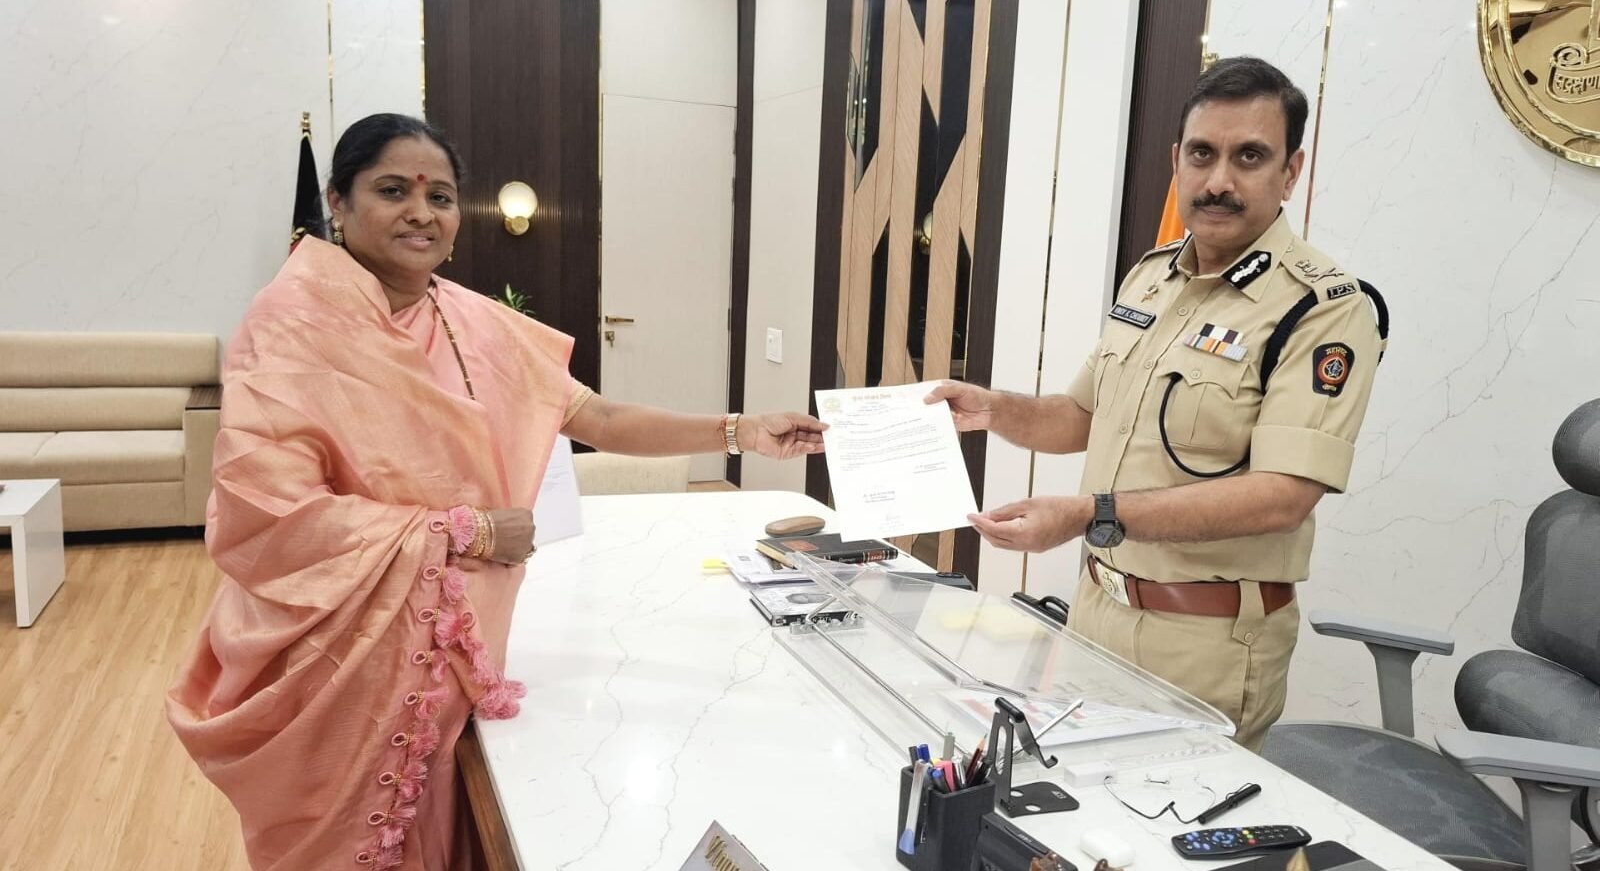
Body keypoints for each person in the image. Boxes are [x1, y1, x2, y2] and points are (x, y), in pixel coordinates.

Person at [166, 113, 826, 870]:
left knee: (457, 822)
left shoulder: (473, 323)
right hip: (337, 659)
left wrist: (741, 430)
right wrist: (470, 530)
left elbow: (600, 418)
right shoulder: (288, 326)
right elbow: (266, 515)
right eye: (393, 190)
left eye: (440, 197)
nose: (421, 212)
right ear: (337, 203)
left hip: (448, 642)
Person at [929, 57, 1385, 751]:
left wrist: (1091, 514)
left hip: (1205, 643)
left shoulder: (1323, 309)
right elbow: (1082, 416)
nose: (1219, 180)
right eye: (1202, 154)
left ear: (1291, 172)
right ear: (1177, 161)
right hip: (1096, 615)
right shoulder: (1151, 278)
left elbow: (1282, 498)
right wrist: (993, 408)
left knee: (1175, 820)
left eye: (1249, 156)